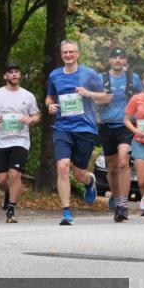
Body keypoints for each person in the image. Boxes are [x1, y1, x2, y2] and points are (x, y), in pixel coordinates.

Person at [44, 39, 112, 226]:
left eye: (71, 52)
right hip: (62, 128)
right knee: (62, 166)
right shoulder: (55, 75)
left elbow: (106, 97)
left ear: (78, 54)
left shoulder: (89, 73)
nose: (68, 55)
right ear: (61, 55)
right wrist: (50, 105)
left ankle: (89, 181)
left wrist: (88, 93)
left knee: (80, 173)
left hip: (85, 128)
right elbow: (49, 97)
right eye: (65, 52)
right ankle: (66, 212)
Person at [0, 63, 41, 223]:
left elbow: (36, 115)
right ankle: (8, 193)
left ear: (19, 75)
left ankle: (11, 209)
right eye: (11, 72)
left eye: (17, 72)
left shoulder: (28, 96)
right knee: (1, 180)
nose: (14, 74)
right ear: (5, 76)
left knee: (15, 174)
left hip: (20, 140)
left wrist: (30, 120)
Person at [98, 47, 143, 222]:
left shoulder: (133, 78)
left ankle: (123, 205)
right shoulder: (101, 78)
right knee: (112, 168)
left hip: (127, 125)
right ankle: (117, 200)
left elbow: (142, 99)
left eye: (121, 57)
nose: (118, 60)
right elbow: (90, 98)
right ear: (110, 60)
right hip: (106, 125)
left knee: (124, 161)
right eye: (114, 57)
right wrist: (99, 98)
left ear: (125, 61)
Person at [122, 69, 144, 222]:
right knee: (142, 181)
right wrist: (135, 130)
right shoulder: (136, 99)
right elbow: (126, 119)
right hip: (140, 143)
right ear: (143, 82)